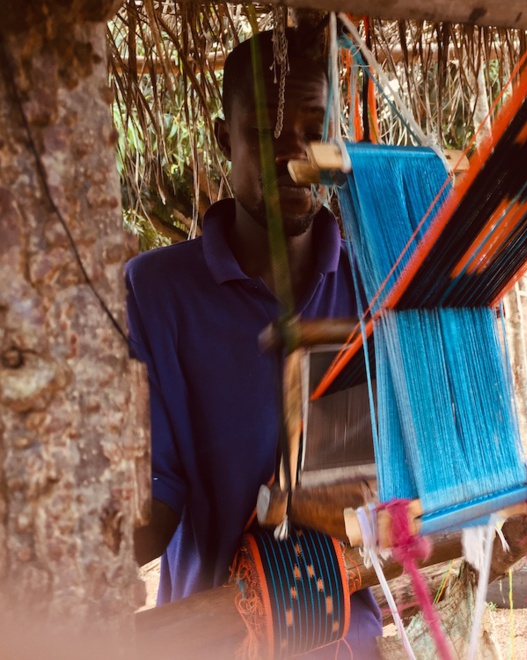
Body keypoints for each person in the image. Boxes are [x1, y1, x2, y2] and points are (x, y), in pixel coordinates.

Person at [126, 28, 382, 657]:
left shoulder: (375, 281)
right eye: (264, 128)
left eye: (311, 128)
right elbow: (151, 502)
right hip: (210, 633)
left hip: (341, 638)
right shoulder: (157, 293)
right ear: (223, 139)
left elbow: (406, 467)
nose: (292, 152)